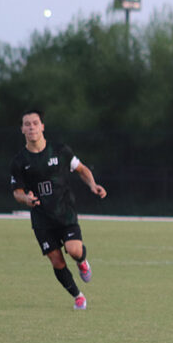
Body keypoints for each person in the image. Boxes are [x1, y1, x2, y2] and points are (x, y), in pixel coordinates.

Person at [11, 109, 107, 310]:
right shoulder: (20, 161)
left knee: (74, 250)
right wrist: (25, 198)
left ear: (42, 127)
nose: (31, 127)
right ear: (22, 129)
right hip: (41, 219)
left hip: (65, 213)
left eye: (35, 123)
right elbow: (17, 192)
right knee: (56, 261)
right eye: (27, 124)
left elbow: (82, 169)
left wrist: (92, 185)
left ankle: (82, 261)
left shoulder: (60, 151)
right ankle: (78, 296)